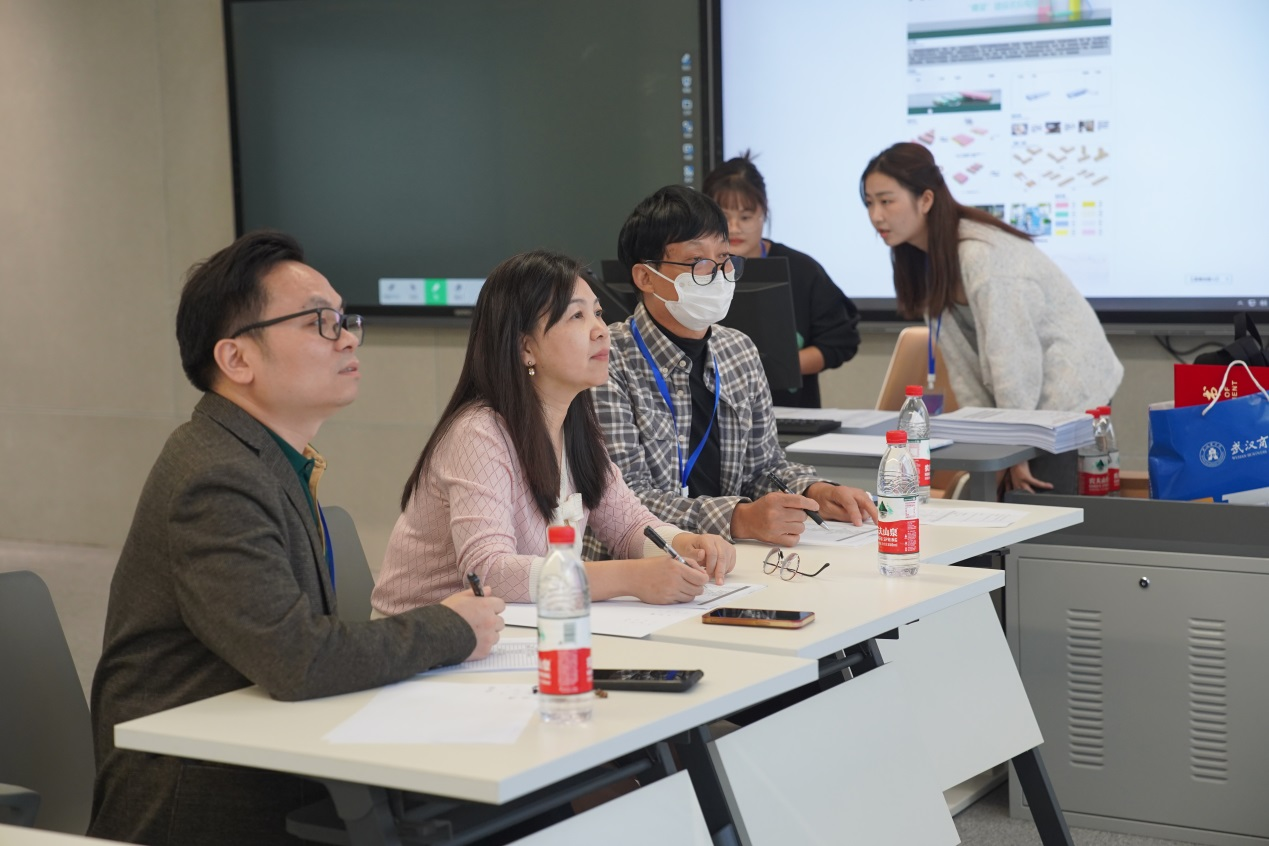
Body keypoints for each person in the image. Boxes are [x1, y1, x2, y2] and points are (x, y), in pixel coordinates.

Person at [88, 231, 506, 846]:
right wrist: (451, 627)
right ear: (237, 360)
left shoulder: (266, 457)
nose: (348, 338)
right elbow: (298, 659)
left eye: (345, 319)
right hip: (200, 797)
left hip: (269, 751)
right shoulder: (215, 475)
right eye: (319, 323)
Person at [373, 250, 735, 616]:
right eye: (577, 316)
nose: (600, 330)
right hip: (428, 638)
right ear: (525, 347)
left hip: (520, 626)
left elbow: (628, 527)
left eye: (598, 313)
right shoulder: (478, 433)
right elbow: (488, 571)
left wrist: (686, 544)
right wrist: (629, 577)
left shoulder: (575, 423)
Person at [589, 185, 877, 553]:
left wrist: (813, 491)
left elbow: (762, 468)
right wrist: (739, 518)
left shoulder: (738, 350)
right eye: (698, 262)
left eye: (724, 258)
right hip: (635, 567)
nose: (718, 274)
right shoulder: (606, 359)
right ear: (646, 277)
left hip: (729, 560)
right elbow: (624, 501)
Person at [860, 142, 1124, 493]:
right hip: (1025, 407)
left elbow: (1013, 359)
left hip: (1068, 393)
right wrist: (991, 440)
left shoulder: (982, 256)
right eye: (869, 203)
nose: (876, 215)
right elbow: (963, 367)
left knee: (1047, 507)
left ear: (925, 199)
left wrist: (1013, 446)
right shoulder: (928, 259)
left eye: (886, 201)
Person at [703, 152, 860, 407]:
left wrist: (777, 367)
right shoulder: (694, 271)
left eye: (745, 217)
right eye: (724, 217)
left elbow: (841, 341)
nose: (734, 227)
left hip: (789, 412)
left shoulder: (802, 270)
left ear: (764, 213)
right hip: (710, 411)